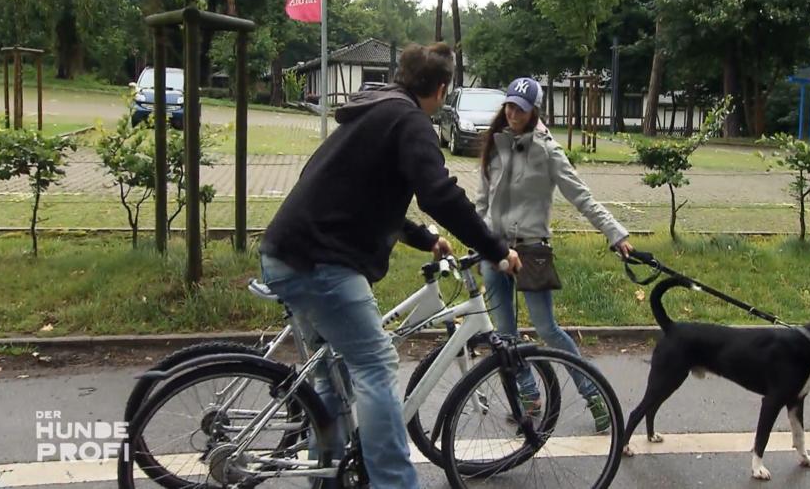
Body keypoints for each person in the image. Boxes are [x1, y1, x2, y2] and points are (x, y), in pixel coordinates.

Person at [259, 43, 521, 489]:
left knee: (333, 371)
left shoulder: (374, 111)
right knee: (377, 365)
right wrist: (496, 249)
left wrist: (425, 239)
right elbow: (439, 195)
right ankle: (395, 483)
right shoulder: (409, 120)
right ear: (441, 89)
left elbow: (371, 197)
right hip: (320, 261)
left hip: (287, 250)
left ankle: (328, 474)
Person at [475, 76, 634, 432]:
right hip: (494, 250)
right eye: (510, 106)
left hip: (531, 250)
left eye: (521, 109)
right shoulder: (495, 144)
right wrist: (477, 239)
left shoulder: (548, 151)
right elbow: (481, 200)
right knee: (506, 335)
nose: (513, 113)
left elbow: (582, 196)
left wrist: (615, 233)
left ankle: (594, 396)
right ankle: (529, 400)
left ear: (534, 112)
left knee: (548, 330)